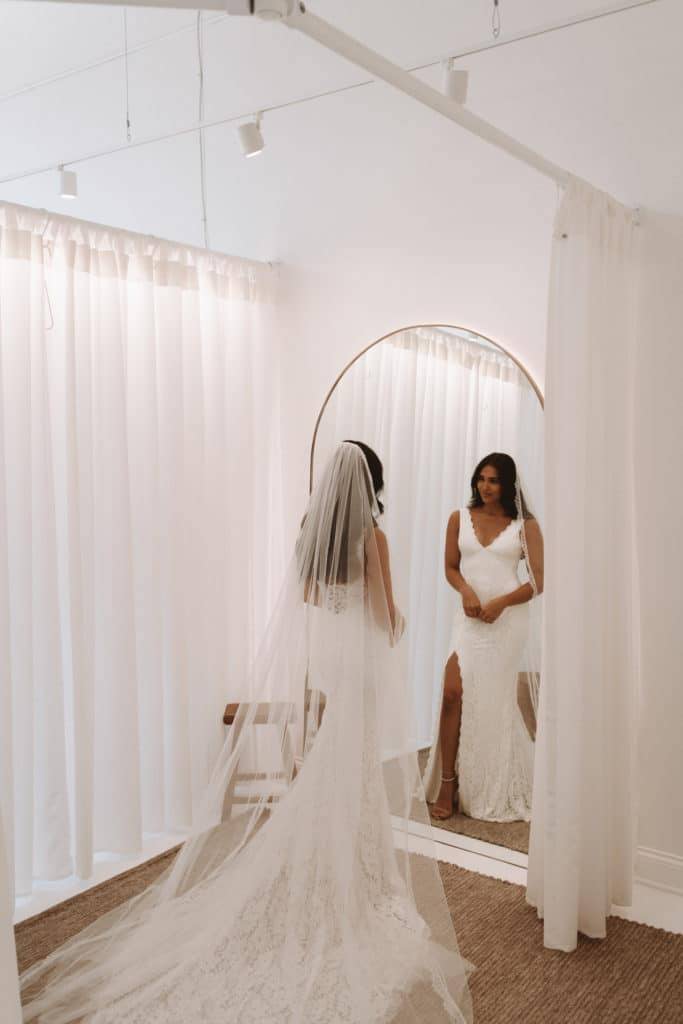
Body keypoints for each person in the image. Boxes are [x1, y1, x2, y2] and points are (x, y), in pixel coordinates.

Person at [21, 441, 471, 1024]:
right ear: (373, 484)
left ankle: (331, 866)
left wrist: (343, 610)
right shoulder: (373, 537)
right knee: (354, 765)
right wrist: (399, 621)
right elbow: (387, 619)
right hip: (358, 667)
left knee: (336, 764)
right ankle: (355, 882)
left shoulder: (316, 534)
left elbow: (310, 596)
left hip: (333, 663)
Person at [423, 453, 543, 823]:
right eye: (481, 479)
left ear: (508, 485)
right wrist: (467, 593)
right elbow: (450, 566)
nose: (485, 487)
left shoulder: (526, 526)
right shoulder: (459, 518)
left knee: (491, 703)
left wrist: (503, 603)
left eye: (493, 480)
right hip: (470, 619)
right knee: (451, 693)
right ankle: (447, 783)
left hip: (506, 624)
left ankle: (485, 782)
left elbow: (540, 580)